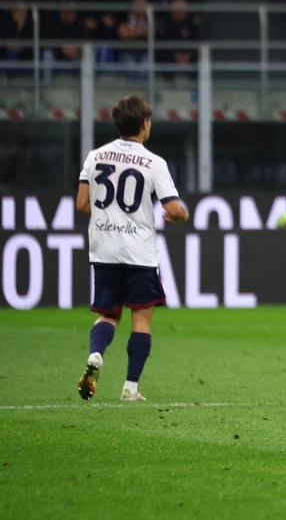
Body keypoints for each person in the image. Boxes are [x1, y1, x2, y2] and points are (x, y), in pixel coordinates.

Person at [76, 96, 190, 402]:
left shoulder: (95, 156)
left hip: (104, 249)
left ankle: (96, 354)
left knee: (108, 315)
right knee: (141, 318)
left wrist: (108, 218)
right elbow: (173, 208)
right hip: (138, 250)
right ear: (144, 124)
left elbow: (82, 204)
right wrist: (181, 215)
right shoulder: (154, 162)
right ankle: (130, 387)